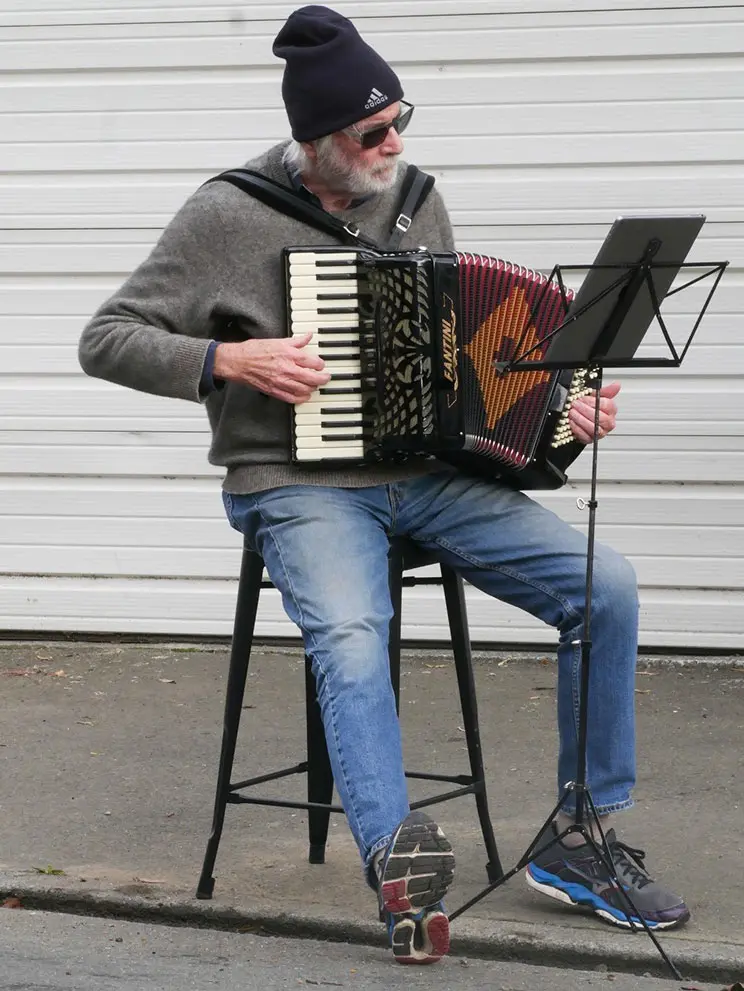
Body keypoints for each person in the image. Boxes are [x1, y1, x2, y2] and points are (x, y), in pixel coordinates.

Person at [78, 4, 690, 966]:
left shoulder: (413, 199)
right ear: (316, 141)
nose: (393, 144)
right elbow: (105, 339)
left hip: (427, 477)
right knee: (354, 635)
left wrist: (555, 416)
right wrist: (230, 359)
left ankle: (578, 835)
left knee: (603, 584)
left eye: (400, 120)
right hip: (294, 483)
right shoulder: (225, 213)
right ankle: (403, 875)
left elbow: (469, 364)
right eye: (373, 132)